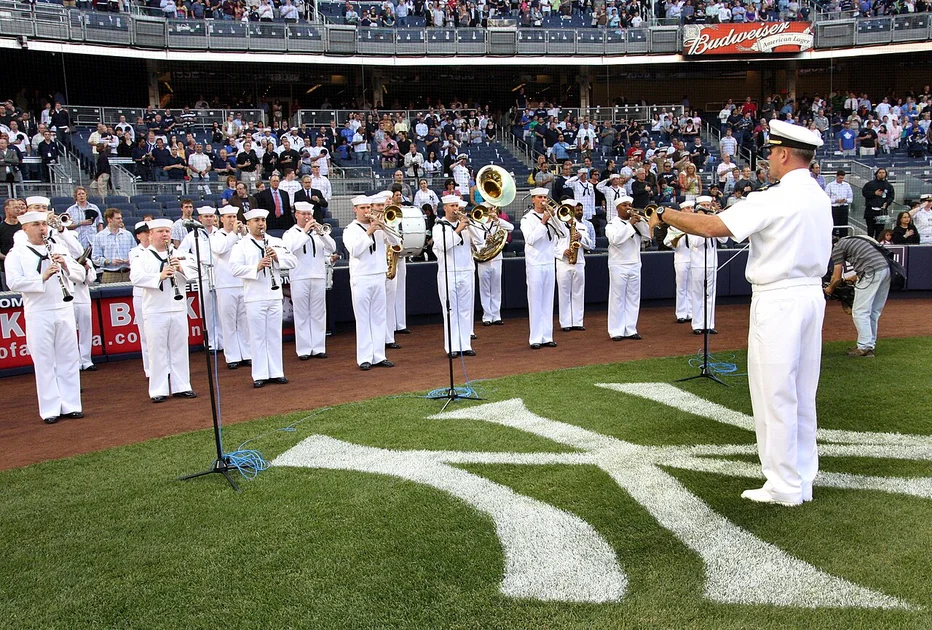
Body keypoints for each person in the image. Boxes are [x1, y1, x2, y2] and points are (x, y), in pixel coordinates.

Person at [647, 118, 832, 506]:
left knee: (773, 392)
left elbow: (716, 226)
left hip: (779, 298)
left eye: (771, 152)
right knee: (800, 392)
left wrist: (665, 215)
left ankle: (783, 485)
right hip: (811, 295)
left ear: (783, 154)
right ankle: (801, 478)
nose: (768, 159)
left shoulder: (775, 196)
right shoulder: (818, 193)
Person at [6, 209, 86, 423]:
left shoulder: (59, 248)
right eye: (36, 225)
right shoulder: (18, 253)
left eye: (43, 224)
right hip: (38, 311)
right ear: (25, 229)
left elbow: (81, 274)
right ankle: (50, 408)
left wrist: (66, 266)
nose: (42, 228)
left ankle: (71, 404)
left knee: (68, 357)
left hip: (63, 308)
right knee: (44, 361)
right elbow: (13, 282)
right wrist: (41, 277)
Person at [129, 219, 198, 404]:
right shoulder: (141, 256)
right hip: (155, 310)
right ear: (151, 235)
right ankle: (158, 389)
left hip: (177, 308)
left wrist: (180, 268)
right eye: (160, 231)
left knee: (179, 349)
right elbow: (135, 277)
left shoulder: (180, 254)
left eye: (167, 231)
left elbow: (196, 273)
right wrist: (159, 276)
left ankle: (182, 386)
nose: (165, 235)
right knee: (156, 350)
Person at [230, 209, 297, 388]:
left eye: (263, 220)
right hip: (254, 296)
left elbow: (293, 261)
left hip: (274, 295)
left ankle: (276, 372)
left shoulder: (276, 242)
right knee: (258, 336)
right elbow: (235, 269)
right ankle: (259, 374)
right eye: (256, 220)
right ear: (248, 224)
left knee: (274, 335)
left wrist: (277, 258)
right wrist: (256, 267)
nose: (261, 224)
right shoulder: (241, 245)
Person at [343, 195, 400, 370]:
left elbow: (397, 243)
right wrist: (370, 232)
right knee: (363, 319)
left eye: (368, 208)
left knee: (378, 317)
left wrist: (386, 227)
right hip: (361, 277)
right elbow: (355, 251)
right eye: (363, 208)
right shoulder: (350, 229)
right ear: (355, 210)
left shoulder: (379, 227)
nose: (367, 211)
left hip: (379, 275)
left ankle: (379, 355)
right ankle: (365, 358)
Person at [282, 201, 337, 360]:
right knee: (302, 313)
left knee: (319, 313)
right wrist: (305, 232)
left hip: (318, 275)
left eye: (309, 214)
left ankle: (319, 347)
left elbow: (332, 247)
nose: (307, 217)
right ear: (296, 215)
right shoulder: (290, 233)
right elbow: (290, 248)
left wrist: (321, 233)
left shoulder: (317, 232)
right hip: (299, 277)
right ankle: (304, 349)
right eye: (304, 214)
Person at [825, 235, 891, 358]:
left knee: (860, 311)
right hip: (886, 270)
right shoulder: (852, 239)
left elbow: (836, 277)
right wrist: (854, 277)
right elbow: (868, 259)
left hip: (871, 271)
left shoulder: (837, 248)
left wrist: (829, 289)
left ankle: (864, 347)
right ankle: (868, 345)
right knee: (874, 311)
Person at [433, 195, 477, 357]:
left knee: (466, 309)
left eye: (457, 206)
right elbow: (443, 246)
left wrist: (470, 227)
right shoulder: (439, 226)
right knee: (450, 310)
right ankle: (451, 347)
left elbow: (480, 241)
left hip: (466, 271)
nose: (456, 209)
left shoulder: (465, 224)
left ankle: (465, 344)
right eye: (452, 206)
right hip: (448, 273)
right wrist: (458, 229)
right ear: (445, 208)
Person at [209, 207, 252, 370]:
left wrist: (242, 234)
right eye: (229, 217)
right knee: (228, 322)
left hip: (242, 282)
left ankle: (246, 353)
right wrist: (234, 234)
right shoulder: (216, 236)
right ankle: (232, 355)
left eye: (234, 216)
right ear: (221, 219)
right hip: (225, 284)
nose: (232, 219)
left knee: (243, 321)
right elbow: (220, 250)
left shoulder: (242, 236)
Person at [606, 196, 650, 341]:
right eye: (624, 205)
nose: (628, 208)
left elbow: (648, 235)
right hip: (618, 264)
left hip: (635, 263)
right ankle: (616, 330)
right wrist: (630, 223)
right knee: (617, 298)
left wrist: (641, 221)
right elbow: (616, 240)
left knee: (633, 298)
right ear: (617, 208)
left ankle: (631, 328)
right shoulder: (611, 224)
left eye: (629, 205)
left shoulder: (637, 222)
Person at [178, 206, 222, 352]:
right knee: (208, 309)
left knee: (222, 309)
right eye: (206, 216)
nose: (209, 219)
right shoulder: (192, 236)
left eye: (211, 216)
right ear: (200, 219)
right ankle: (211, 341)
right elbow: (181, 253)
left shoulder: (220, 233)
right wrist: (195, 261)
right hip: (203, 273)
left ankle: (223, 341)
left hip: (220, 272)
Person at [522, 188, 560, 349]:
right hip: (535, 263)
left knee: (548, 301)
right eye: (539, 197)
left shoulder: (551, 216)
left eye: (545, 197)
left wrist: (556, 218)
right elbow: (531, 239)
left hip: (549, 262)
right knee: (536, 301)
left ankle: (547, 336)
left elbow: (563, 234)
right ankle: (536, 338)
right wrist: (543, 222)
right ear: (533, 200)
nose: (543, 200)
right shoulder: (527, 219)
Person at [688, 196, 729, 335]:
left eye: (708, 205)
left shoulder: (714, 220)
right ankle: (697, 324)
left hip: (712, 262)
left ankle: (709, 324)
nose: (707, 207)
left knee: (710, 294)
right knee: (697, 294)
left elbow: (724, 239)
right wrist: (704, 227)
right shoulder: (691, 222)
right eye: (704, 205)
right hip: (698, 263)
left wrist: (715, 223)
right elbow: (694, 242)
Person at [554, 199, 594, 332]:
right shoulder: (557, 225)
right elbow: (550, 246)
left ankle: (577, 321)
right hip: (563, 263)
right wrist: (561, 252)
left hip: (579, 261)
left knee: (578, 292)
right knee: (564, 293)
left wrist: (581, 237)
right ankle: (565, 322)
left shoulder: (582, 225)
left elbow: (591, 245)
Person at [476, 205, 513, 326]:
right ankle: (487, 315)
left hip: (496, 258)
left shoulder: (498, 223)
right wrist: (484, 241)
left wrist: (497, 219)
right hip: (484, 259)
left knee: (496, 288)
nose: (489, 212)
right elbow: (474, 241)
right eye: (487, 210)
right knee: (485, 288)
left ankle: (496, 315)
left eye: (491, 209)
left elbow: (511, 227)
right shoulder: (477, 225)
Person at [663, 200, 694, 323]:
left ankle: (691, 312)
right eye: (688, 208)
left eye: (692, 208)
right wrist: (673, 240)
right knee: (681, 287)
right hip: (681, 258)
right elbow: (666, 242)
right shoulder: (674, 226)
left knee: (692, 287)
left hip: (693, 258)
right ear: (682, 211)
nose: (691, 210)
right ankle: (681, 313)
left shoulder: (696, 224)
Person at [128, 221, 152, 378]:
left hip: (156, 296)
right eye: (144, 232)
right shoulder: (135, 252)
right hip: (140, 295)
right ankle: (149, 369)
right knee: (145, 335)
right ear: (138, 235)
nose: (148, 235)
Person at [92, 207, 135, 284]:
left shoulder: (128, 235)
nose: (121, 220)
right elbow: (95, 258)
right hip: (110, 275)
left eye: (121, 218)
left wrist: (130, 260)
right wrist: (110, 262)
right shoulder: (99, 237)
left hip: (129, 274)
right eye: (118, 218)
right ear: (109, 220)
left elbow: (136, 253)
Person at [861, 168, 894, 240]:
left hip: (882, 211)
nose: (882, 174)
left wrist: (886, 203)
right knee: (870, 231)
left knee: (880, 231)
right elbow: (864, 193)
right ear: (876, 174)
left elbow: (891, 197)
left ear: (886, 174)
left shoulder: (889, 186)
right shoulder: (869, 184)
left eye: (883, 172)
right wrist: (874, 193)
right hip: (870, 211)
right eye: (880, 172)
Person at [824, 169, 854, 239]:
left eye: (842, 178)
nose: (841, 179)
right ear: (836, 176)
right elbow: (827, 199)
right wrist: (836, 201)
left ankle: (843, 239)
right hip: (834, 208)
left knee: (844, 226)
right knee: (833, 224)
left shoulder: (847, 185)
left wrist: (845, 200)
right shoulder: (830, 185)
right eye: (840, 178)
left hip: (844, 208)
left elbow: (851, 199)